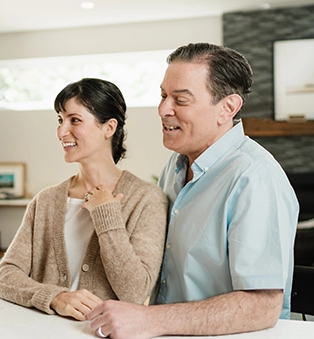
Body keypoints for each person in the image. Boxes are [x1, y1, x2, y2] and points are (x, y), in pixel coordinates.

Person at [86, 43, 299, 338]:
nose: (163, 110)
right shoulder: (175, 166)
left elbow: (261, 307)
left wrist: (151, 320)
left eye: (180, 100)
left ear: (228, 107)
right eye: (163, 96)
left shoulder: (255, 177)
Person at [0, 78, 168, 321]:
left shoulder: (147, 199)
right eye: (60, 120)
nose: (62, 131)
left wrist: (106, 216)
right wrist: (55, 297)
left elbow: (135, 293)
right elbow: (5, 277)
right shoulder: (46, 201)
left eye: (75, 120)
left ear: (109, 128)